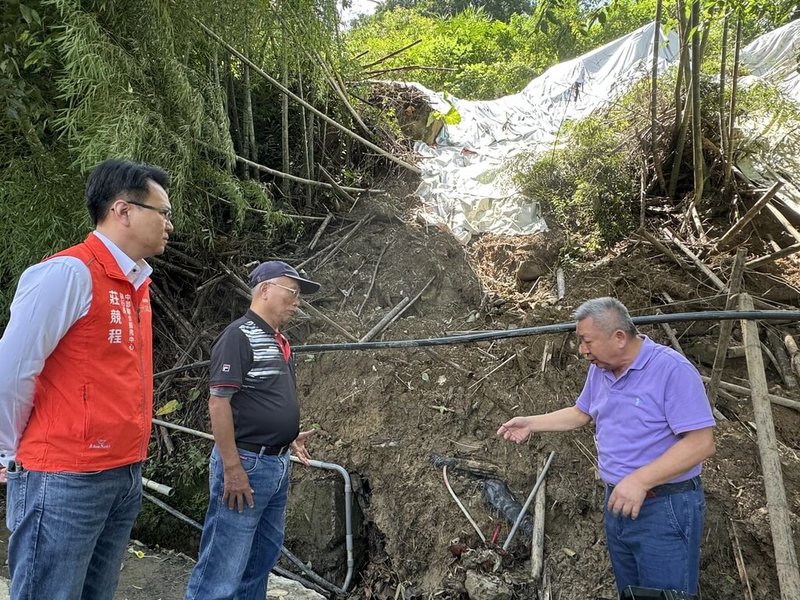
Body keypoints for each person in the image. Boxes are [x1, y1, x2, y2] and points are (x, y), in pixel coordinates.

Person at [0, 159, 173, 599]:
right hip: (64, 477)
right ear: (123, 211)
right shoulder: (68, 273)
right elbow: (13, 368)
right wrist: (8, 453)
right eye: (163, 212)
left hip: (121, 473)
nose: (169, 224)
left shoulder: (136, 284)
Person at [498, 297, 715, 598]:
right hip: (618, 502)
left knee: (666, 595)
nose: (582, 350)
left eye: (587, 341)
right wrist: (530, 423)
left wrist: (641, 480)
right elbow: (581, 413)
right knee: (631, 591)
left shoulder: (671, 370)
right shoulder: (600, 370)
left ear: (619, 337)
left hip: (665, 505)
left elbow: (701, 443)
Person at [184, 261, 319, 600]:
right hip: (246, 464)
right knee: (223, 565)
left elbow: (259, 399)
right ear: (264, 290)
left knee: (260, 561)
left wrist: (285, 437)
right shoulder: (238, 336)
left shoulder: (279, 340)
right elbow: (218, 404)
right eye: (292, 292)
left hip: (275, 464)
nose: (297, 302)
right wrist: (232, 468)